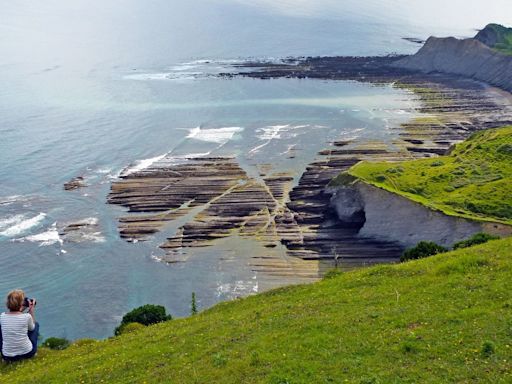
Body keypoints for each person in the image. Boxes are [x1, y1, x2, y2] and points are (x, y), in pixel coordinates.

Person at [0, 289, 39, 362]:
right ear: (21, 304)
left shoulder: (2, 316)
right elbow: (32, 329)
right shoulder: (27, 316)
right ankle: (32, 351)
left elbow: (15, 317)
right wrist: (31, 310)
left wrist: (20, 308)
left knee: (1, 329)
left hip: (8, 357)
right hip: (28, 353)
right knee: (35, 325)